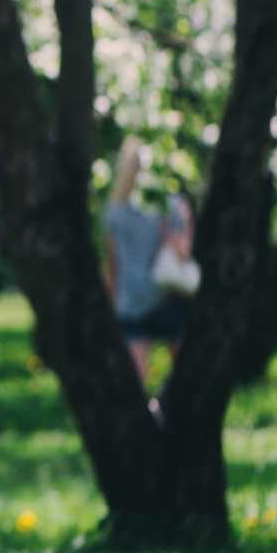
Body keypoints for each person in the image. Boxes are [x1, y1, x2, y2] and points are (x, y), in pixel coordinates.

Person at [102, 137, 192, 387]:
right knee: (184, 377)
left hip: (131, 302)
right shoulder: (173, 207)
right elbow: (183, 252)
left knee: (134, 385)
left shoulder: (114, 212)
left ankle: (148, 419)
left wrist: (109, 306)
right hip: (163, 297)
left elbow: (111, 266)